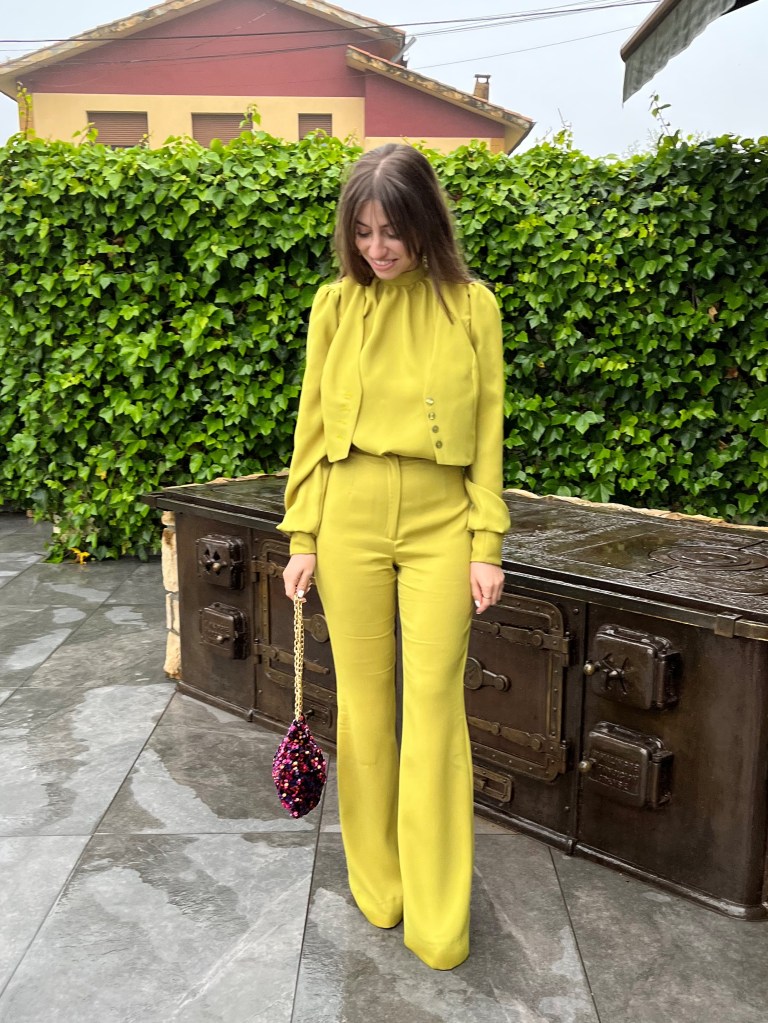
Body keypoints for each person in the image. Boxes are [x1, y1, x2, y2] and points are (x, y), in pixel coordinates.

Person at [279, 143, 510, 970]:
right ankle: (377, 880)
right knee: (365, 709)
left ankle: (440, 916)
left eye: (393, 231)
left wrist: (487, 543)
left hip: (443, 521)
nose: (378, 248)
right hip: (349, 516)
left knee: (436, 707)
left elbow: (489, 430)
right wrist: (302, 534)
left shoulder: (472, 306)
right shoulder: (334, 306)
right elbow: (311, 425)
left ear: (426, 224)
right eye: (364, 231)